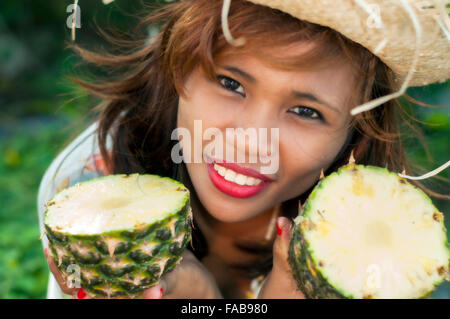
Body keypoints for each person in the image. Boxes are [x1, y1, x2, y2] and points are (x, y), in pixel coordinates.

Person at [38, 0, 450, 299]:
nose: (250, 142)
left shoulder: (375, 249)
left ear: (354, 137)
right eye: (231, 84)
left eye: (306, 111)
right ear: (177, 64)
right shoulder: (91, 185)